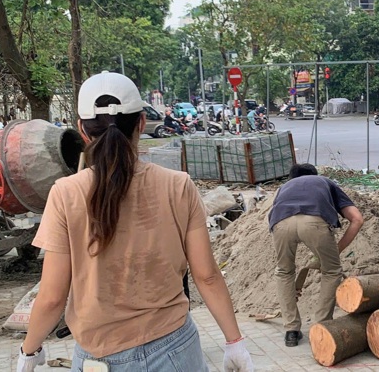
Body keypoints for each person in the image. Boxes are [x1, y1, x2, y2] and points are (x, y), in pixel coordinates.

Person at [17, 72, 252, 372]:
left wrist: (29, 351)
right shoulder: (178, 185)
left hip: (97, 360)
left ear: (82, 130)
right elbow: (206, 276)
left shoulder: (65, 194)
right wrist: (235, 342)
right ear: (141, 123)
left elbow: (51, 298)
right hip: (176, 351)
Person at [269, 163, 364, 348]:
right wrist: (336, 251)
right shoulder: (325, 182)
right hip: (315, 222)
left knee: (284, 272)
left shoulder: (284, 188)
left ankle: (291, 331)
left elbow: (273, 212)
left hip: (281, 223)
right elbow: (357, 219)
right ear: (315, 175)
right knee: (331, 271)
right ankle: (321, 324)